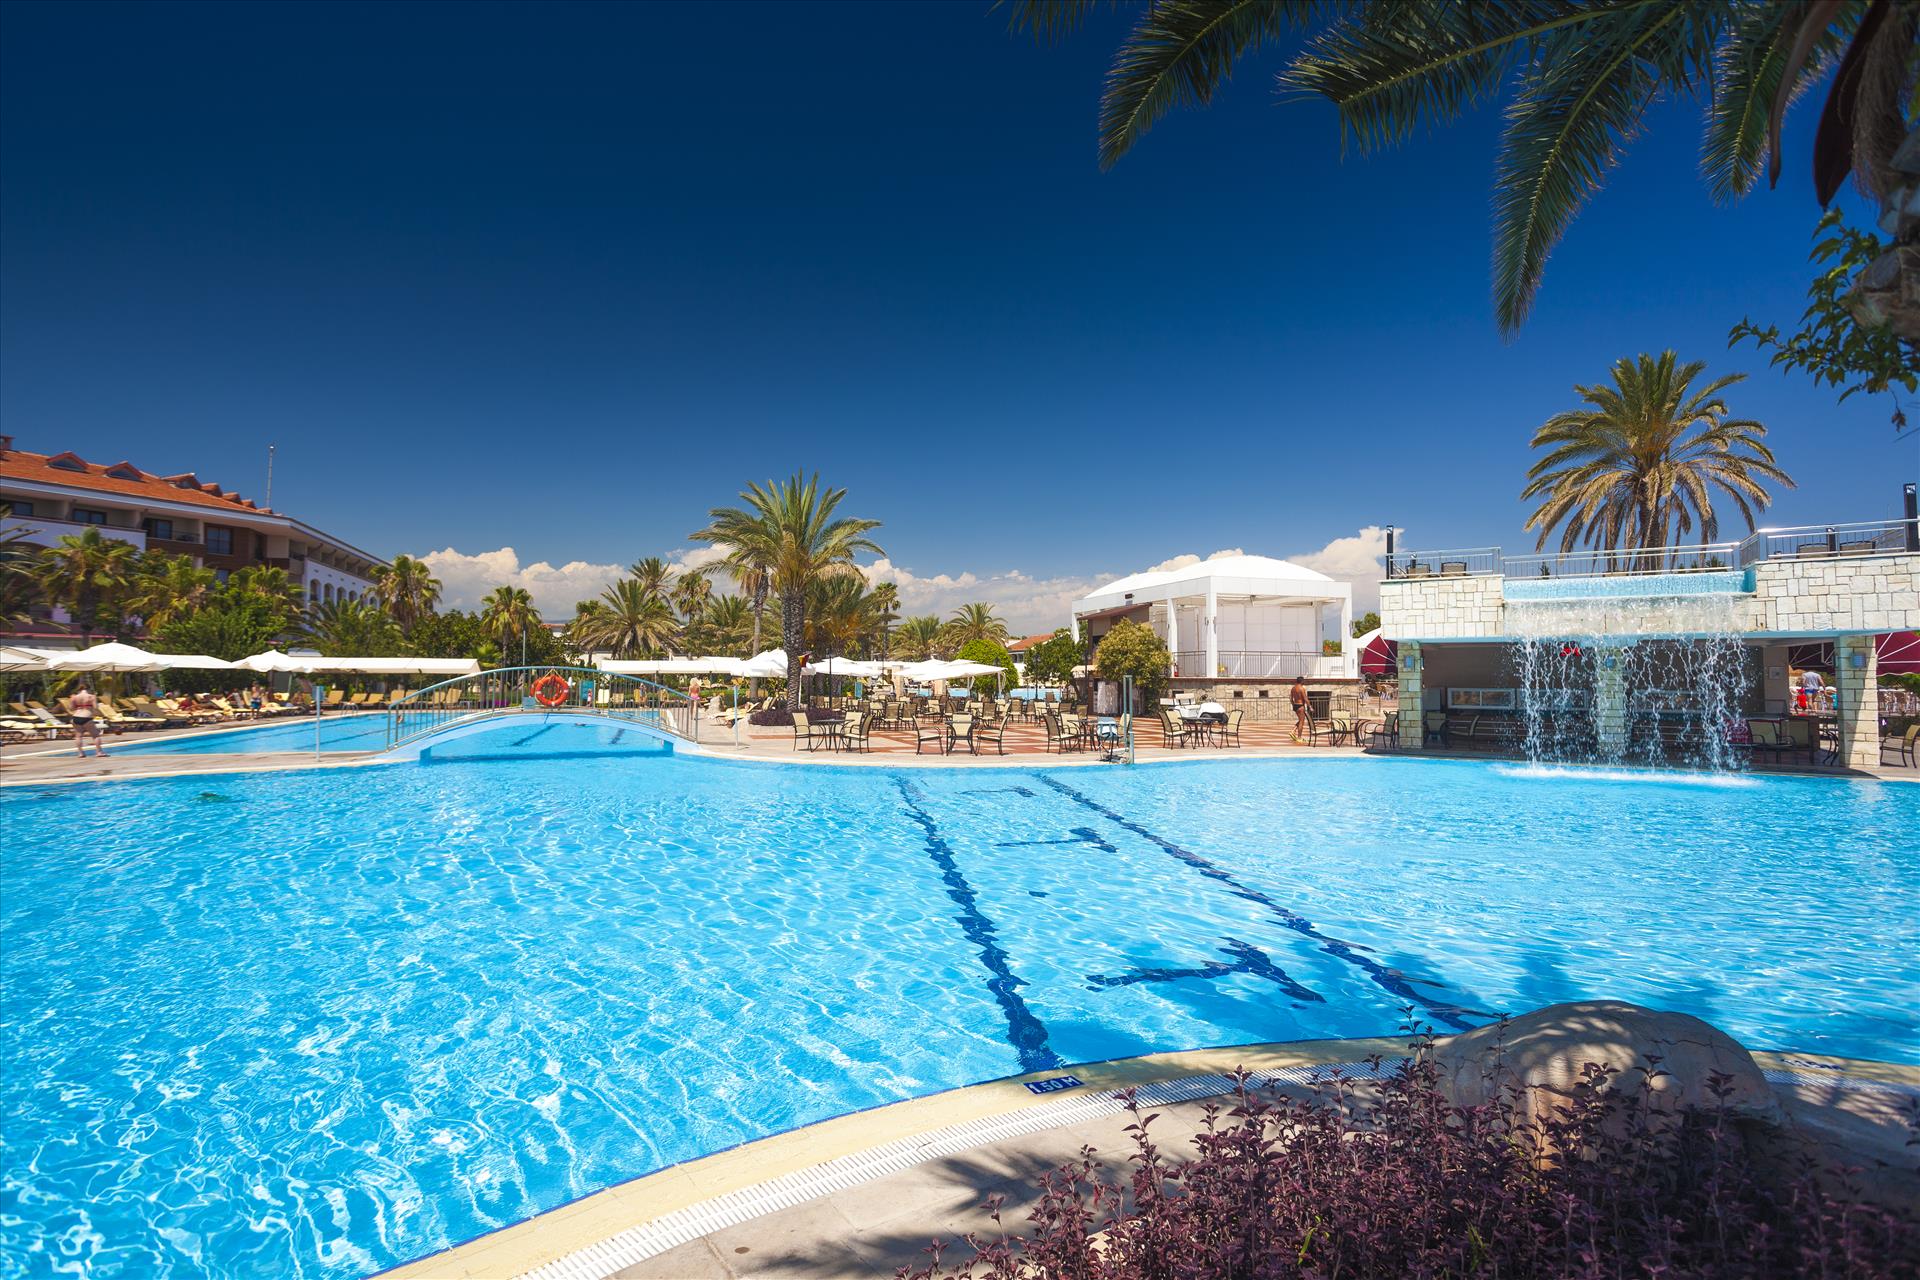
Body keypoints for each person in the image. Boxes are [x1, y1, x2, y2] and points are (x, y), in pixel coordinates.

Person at [69, 679, 108, 758]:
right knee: (95, 735)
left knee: (78, 736)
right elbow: (96, 707)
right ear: (88, 689)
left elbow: (71, 708)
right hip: (87, 717)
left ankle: (80, 753)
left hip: (76, 717)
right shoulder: (91, 696)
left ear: (79, 689)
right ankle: (99, 752)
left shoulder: (74, 697)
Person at [1290, 675, 1310, 744]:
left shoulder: (1293, 688)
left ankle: (1293, 731)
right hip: (1300, 706)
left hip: (1295, 705)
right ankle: (1299, 738)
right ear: (1301, 681)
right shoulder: (1301, 688)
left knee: (1300, 720)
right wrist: (1310, 706)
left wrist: (1293, 705)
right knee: (1302, 722)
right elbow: (1305, 699)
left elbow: (1291, 699)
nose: (1304, 682)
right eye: (1303, 681)